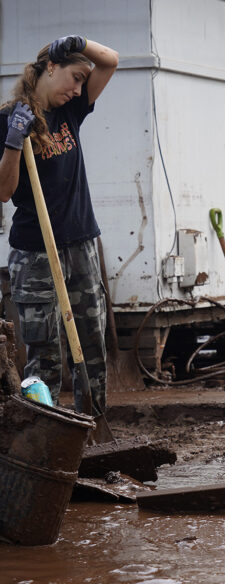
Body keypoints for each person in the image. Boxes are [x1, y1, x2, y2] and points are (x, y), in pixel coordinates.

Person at [0, 36, 118, 414]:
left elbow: (110, 60)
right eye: (74, 77)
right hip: (34, 255)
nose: (79, 88)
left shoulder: (71, 112)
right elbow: (5, 192)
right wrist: (14, 143)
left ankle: (94, 429)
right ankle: (47, 435)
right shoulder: (7, 120)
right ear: (51, 68)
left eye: (84, 81)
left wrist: (76, 41)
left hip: (80, 243)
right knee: (44, 354)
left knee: (92, 347)